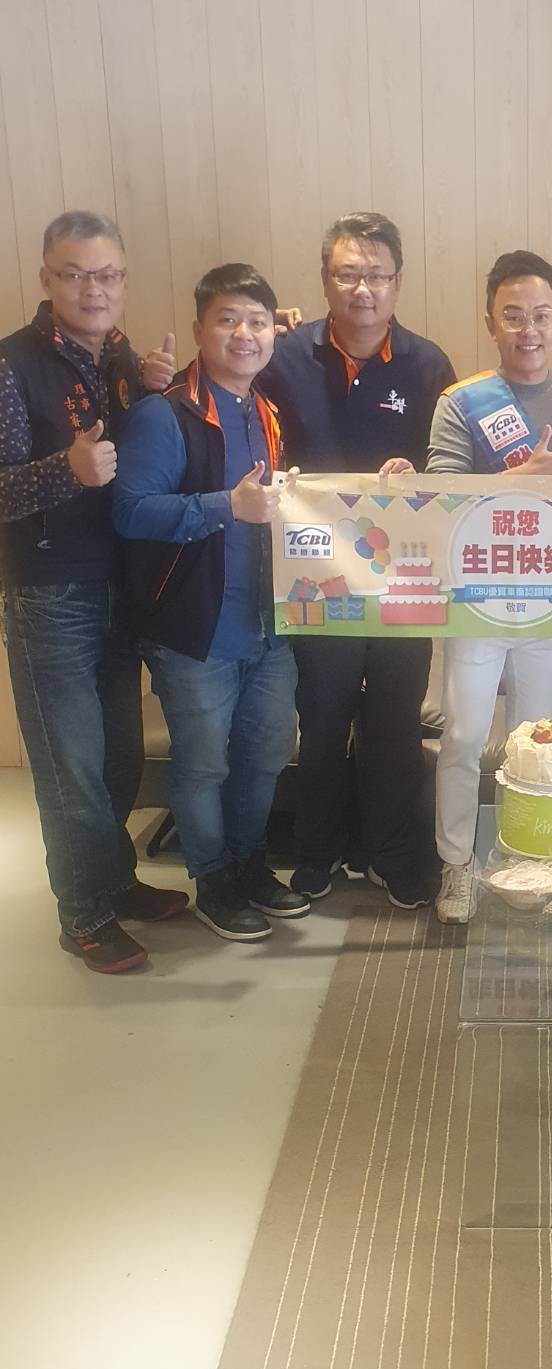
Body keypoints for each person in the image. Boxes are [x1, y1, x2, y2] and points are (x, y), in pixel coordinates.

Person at [249, 212, 456, 909]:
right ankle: (317, 853)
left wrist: (419, 474)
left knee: (395, 722)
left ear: (398, 282)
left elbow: (450, 469)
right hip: (315, 578)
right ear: (325, 279)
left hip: (405, 579)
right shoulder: (282, 357)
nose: (362, 289)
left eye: (376, 275)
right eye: (348, 274)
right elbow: (245, 427)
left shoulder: (428, 365)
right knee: (323, 717)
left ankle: (390, 855)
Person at [0, 210, 186, 973]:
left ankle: (113, 880)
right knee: (70, 766)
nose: (92, 289)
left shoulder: (118, 356)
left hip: (118, 587)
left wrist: (152, 391)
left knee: (118, 758)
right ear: (47, 278)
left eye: (106, 275)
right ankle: (81, 916)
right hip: (49, 595)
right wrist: (62, 471)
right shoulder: (12, 365)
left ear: (123, 282)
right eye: (74, 274)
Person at [113, 264, 306, 942]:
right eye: (228, 320)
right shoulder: (164, 413)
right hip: (195, 632)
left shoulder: (266, 411)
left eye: (258, 321)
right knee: (203, 765)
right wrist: (227, 506)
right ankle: (214, 881)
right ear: (200, 329)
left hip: (269, 628)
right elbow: (129, 511)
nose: (244, 334)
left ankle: (250, 865)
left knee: (266, 754)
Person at [427, 249, 552, 924]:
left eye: (542, 315)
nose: (529, 330)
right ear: (490, 323)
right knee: (464, 737)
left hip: (550, 604)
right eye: (513, 316)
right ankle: (456, 866)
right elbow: (439, 501)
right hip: (476, 602)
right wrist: (514, 480)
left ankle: (522, 862)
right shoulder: (461, 402)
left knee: (532, 743)